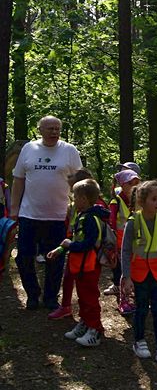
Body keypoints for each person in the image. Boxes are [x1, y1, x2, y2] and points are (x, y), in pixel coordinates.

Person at [11, 116, 82, 310]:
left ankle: (51, 297)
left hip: (59, 216)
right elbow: (18, 180)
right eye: (50, 128)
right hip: (29, 214)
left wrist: (80, 208)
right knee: (24, 257)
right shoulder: (29, 149)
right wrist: (14, 208)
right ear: (40, 130)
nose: (54, 132)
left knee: (55, 258)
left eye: (57, 129)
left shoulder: (69, 151)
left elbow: (79, 182)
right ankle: (32, 294)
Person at [47, 179, 109, 347]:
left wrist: (71, 246)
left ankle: (95, 329)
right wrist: (60, 249)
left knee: (90, 297)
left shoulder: (92, 218)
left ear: (84, 199)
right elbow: (74, 238)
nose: (73, 200)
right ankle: (85, 322)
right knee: (82, 296)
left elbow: (90, 243)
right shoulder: (82, 215)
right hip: (80, 265)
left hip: (89, 265)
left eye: (75, 196)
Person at [121, 180, 157, 365]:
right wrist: (126, 276)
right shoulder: (133, 221)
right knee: (142, 307)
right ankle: (139, 340)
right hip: (139, 272)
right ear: (142, 201)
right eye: (154, 199)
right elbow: (126, 250)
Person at [105, 168, 140, 314]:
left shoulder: (139, 200)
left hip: (136, 244)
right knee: (123, 273)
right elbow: (111, 222)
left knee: (136, 271)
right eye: (131, 183)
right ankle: (124, 301)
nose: (135, 186)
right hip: (120, 245)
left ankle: (138, 298)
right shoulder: (116, 202)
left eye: (137, 183)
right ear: (122, 185)